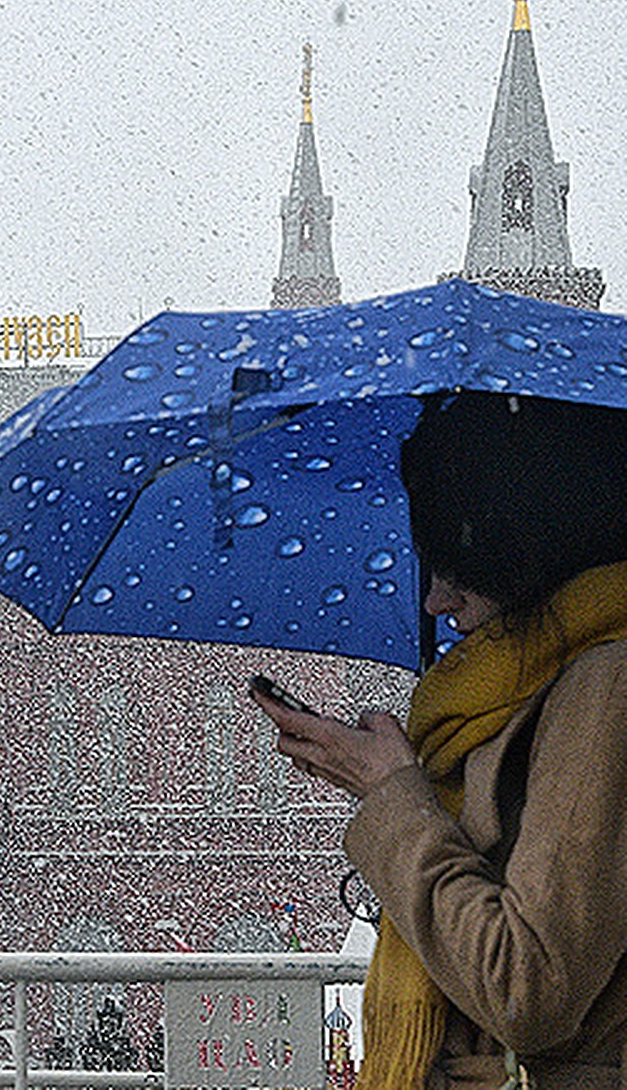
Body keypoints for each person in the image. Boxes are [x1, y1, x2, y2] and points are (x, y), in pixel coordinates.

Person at [252, 390, 627, 1090]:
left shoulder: (604, 687)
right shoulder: (524, 689)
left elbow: (529, 988)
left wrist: (395, 800)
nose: (436, 601)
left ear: (538, 542)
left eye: (462, 563)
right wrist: (401, 788)